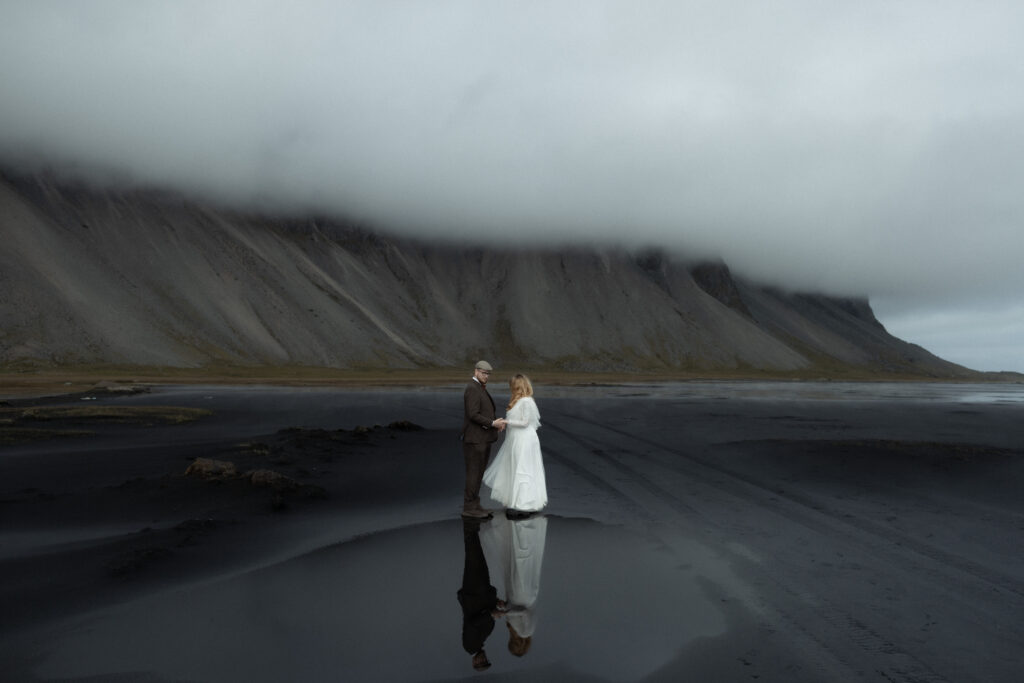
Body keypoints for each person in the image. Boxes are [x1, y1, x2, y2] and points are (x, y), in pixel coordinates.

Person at [482, 374, 547, 517]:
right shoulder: (519, 401)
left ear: (518, 386)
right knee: (516, 466)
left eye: (513, 386)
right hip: (516, 439)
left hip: (525, 439)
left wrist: (506, 422)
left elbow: (525, 423)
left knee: (523, 468)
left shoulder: (526, 402)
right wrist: (506, 423)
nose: (511, 389)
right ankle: (517, 501)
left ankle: (524, 504)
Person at [461, 360, 505, 519]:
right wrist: (492, 423)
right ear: (476, 372)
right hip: (474, 440)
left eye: (488, 374)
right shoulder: (472, 388)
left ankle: (475, 505)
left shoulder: (478, 387)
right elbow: (473, 414)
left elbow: (482, 412)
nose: (486, 376)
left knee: (478, 473)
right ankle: (469, 507)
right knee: (473, 473)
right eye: (484, 373)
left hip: (481, 439)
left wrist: (494, 424)